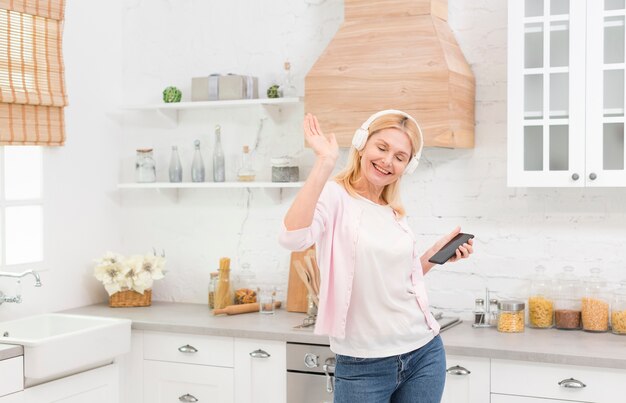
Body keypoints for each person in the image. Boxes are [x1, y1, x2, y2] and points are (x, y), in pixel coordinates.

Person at [279, 110, 474, 403]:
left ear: (408, 166)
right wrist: (324, 162)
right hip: (363, 364)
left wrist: (435, 255)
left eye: (400, 156)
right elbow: (292, 237)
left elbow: (400, 280)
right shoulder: (335, 196)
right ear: (362, 144)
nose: (387, 161)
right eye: (381, 148)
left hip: (423, 352)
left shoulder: (392, 211)